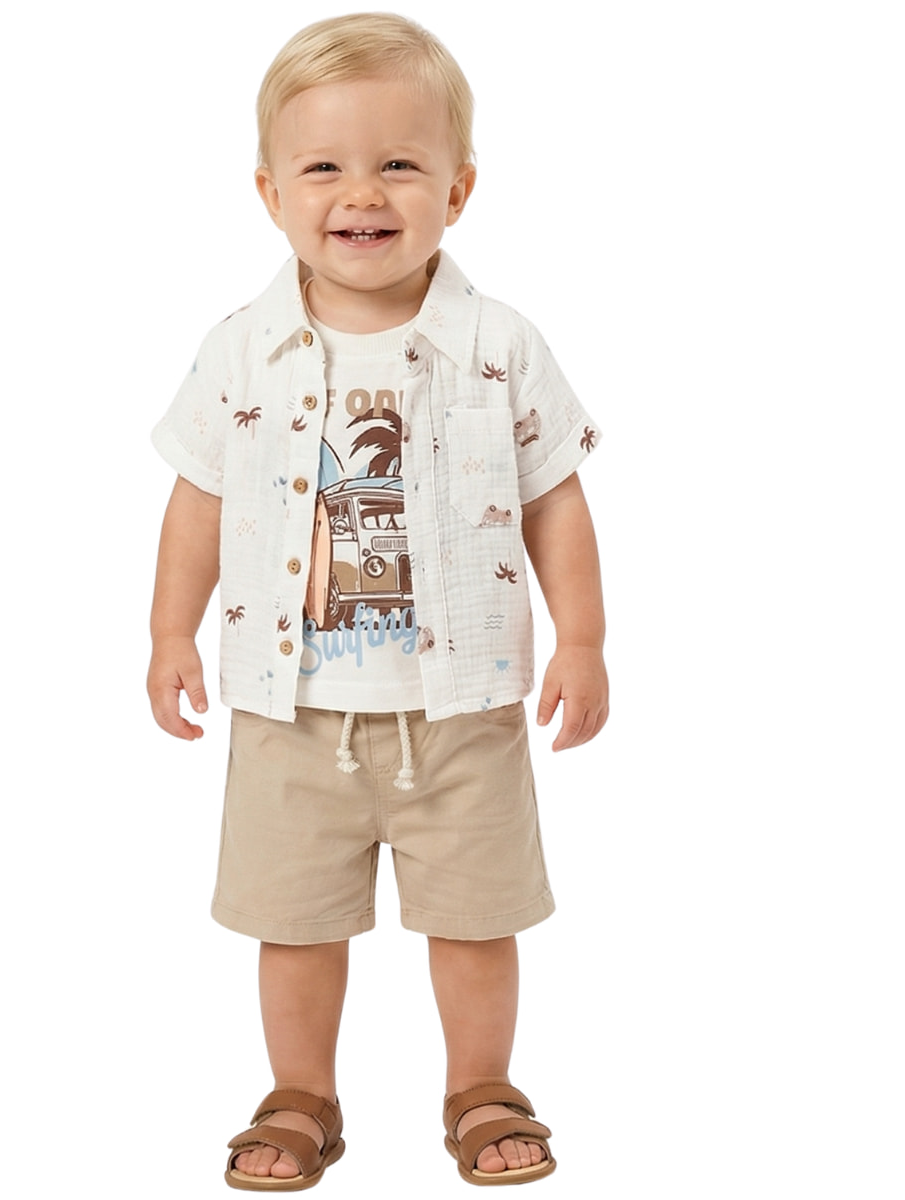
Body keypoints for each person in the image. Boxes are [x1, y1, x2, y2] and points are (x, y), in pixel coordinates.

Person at [147, 13, 607, 1190]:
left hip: (463, 707)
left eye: (399, 162)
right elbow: (198, 497)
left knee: (478, 920)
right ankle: (299, 1093)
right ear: (270, 193)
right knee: (293, 925)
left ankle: (482, 1088)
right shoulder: (242, 350)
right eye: (324, 167)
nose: (362, 193)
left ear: (458, 189)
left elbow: (554, 497)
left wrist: (585, 639)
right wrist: (168, 632)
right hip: (290, 708)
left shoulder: (499, 346)